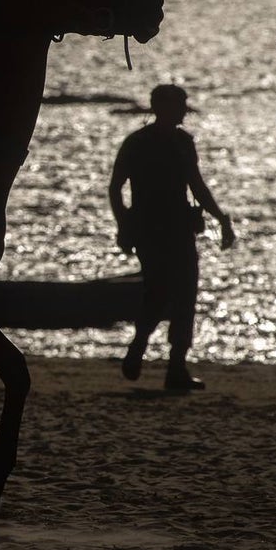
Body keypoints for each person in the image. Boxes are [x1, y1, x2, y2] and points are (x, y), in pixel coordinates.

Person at [108, 84, 235, 390]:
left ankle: (176, 367)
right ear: (160, 108)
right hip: (151, 231)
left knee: (184, 295)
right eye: (179, 105)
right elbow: (115, 188)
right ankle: (141, 344)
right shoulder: (138, 143)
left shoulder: (182, 142)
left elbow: (197, 185)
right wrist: (124, 225)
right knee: (159, 292)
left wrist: (221, 219)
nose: (183, 111)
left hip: (179, 229)